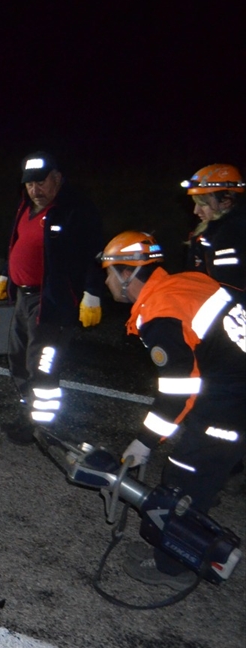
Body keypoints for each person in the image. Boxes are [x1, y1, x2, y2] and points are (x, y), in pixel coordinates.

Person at [100, 231, 246, 590]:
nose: (104, 280)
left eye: (107, 272)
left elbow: (180, 389)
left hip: (231, 400)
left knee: (184, 477)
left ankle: (170, 565)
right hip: (232, 383)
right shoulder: (187, 282)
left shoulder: (161, 314)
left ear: (126, 273)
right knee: (203, 469)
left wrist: (145, 441)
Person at [0, 153, 104, 442]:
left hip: (52, 303)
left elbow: (96, 254)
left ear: (57, 178)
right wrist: (7, 274)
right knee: (17, 358)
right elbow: (17, 242)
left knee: (42, 367)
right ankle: (27, 414)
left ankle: (42, 428)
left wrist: (92, 292)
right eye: (29, 185)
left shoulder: (74, 211)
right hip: (23, 299)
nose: (34, 190)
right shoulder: (26, 208)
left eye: (40, 183)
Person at [181, 163, 245, 303]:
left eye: (203, 204)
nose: (196, 211)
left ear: (226, 201)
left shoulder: (232, 236)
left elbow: (229, 289)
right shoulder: (207, 234)